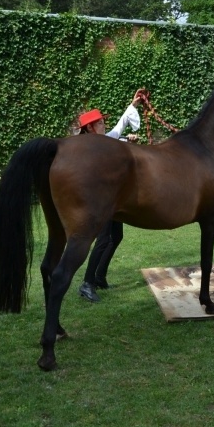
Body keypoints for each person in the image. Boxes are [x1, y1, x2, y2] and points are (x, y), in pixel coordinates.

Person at [78, 89, 144, 303]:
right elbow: (114, 139)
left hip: (113, 199)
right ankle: (87, 283)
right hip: (101, 200)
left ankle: (99, 277)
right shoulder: (89, 146)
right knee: (104, 238)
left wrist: (133, 106)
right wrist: (124, 141)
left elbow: (117, 131)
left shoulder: (101, 140)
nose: (104, 124)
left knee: (116, 236)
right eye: (100, 123)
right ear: (90, 128)